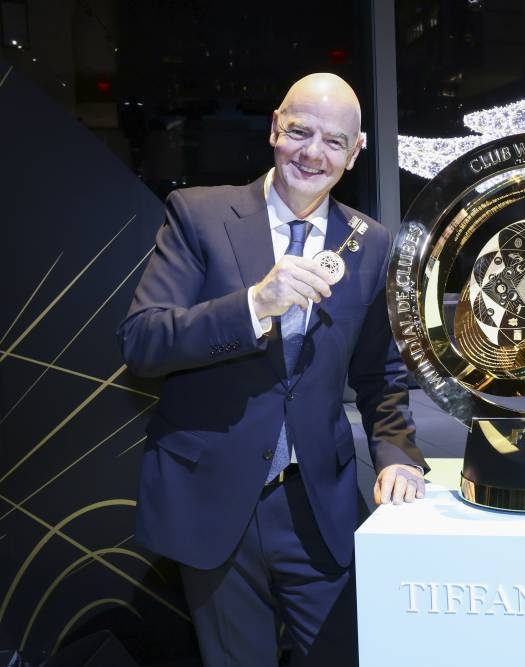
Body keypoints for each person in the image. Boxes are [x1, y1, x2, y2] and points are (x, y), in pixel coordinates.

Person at [117, 73, 428, 666]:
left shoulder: (370, 243)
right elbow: (143, 342)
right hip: (214, 499)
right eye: (300, 132)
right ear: (274, 129)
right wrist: (255, 304)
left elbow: (381, 375)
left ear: (355, 153)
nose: (313, 154)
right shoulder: (199, 215)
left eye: (334, 142)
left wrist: (397, 455)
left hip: (319, 502)